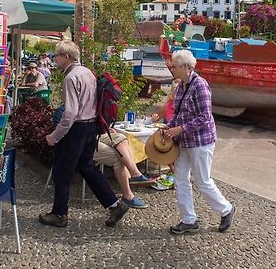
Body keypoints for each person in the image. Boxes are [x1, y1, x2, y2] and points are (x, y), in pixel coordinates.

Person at [39, 40, 129, 228]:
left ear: (66, 57)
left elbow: (70, 113)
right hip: (91, 127)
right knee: (87, 167)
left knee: (62, 171)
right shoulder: (88, 72)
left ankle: (59, 214)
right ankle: (114, 204)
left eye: (57, 56)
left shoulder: (71, 78)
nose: (55, 59)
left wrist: (54, 136)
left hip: (77, 129)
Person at [163, 49, 235, 235]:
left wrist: (180, 129)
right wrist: (169, 127)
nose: (172, 69)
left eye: (175, 66)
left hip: (201, 140)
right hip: (185, 141)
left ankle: (226, 209)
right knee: (180, 179)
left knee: (203, 180)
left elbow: (205, 117)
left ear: (186, 67)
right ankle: (189, 220)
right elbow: (178, 113)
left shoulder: (200, 85)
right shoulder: (181, 86)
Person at [94, 129, 153, 208]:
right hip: (81, 137)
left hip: (95, 133)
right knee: (119, 156)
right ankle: (128, 195)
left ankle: (135, 174)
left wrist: (104, 127)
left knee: (121, 137)